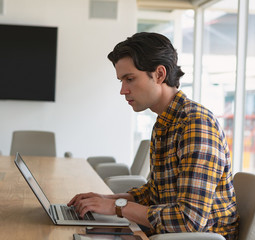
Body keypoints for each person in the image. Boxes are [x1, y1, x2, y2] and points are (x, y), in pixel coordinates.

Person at [68, 32, 239, 239]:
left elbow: (189, 221)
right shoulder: (165, 122)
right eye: (121, 80)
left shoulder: (196, 124)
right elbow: (156, 192)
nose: (123, 90)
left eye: (129, 79)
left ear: (159, 74)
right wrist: (106, 199)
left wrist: (116, 207)